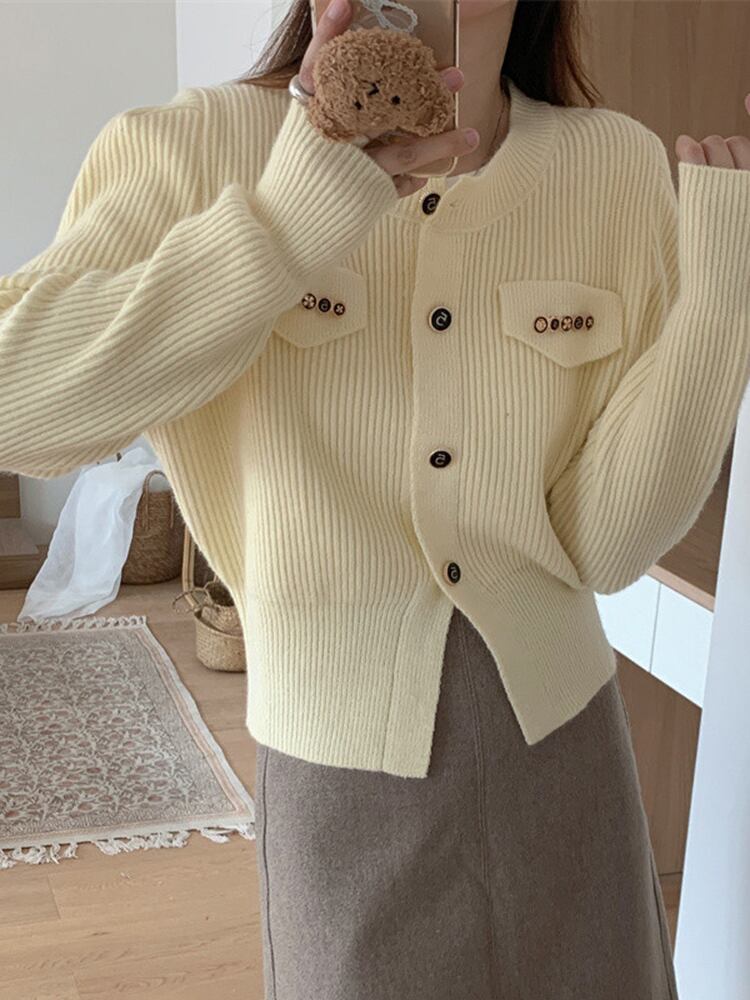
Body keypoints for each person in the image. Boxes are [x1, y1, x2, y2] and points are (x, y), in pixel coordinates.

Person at [1, 0, 749, 997]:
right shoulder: (196, 145)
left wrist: (719, 308)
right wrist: (286, 221)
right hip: (339, 765)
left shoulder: (611, 163)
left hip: (569, 748)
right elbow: (20, 407)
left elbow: (602, 546)